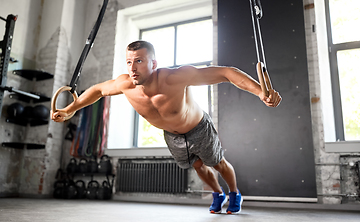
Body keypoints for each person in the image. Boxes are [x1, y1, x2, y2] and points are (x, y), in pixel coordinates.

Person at [51, 40, 281, 214]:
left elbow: (226, 73)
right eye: (129, 61)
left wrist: (260, 92)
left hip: (198, 127)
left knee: (217, 163)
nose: (133, 68)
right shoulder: (125, 84)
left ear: (154, 63)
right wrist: (71, 108)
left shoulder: (175, 77)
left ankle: (234, 193)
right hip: (172, 135)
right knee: (199, 167)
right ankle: (218, 194)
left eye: (139, 61)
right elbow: (98, 90)